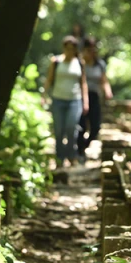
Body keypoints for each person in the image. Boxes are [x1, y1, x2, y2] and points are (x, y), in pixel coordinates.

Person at [42, 35, 88, 168]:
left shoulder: (79, 63)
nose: (69, 51)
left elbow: (83, 83)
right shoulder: (56, 61)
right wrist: (43, 95)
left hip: (75, 100)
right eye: (67, 48)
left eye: (72, 48)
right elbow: (49, 79)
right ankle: (60, 157)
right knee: (59, 129)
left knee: (71, 127)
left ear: (75, 49)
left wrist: (86, 101)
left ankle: (71, 155)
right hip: (58, 100)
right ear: (63, 48)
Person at [78, 37, 113, 158]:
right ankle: (80, 152)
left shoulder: (100, 64)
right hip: (79, 97)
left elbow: (104, 80)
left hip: (94, 96)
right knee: (81, 127)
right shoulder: (79, 63)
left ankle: (84, 146)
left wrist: (108, 91)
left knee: (95, 127)